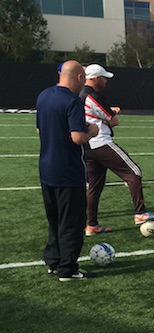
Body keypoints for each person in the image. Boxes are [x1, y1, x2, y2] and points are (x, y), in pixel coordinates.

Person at [80, 64, 154, 235]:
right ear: (96, 78)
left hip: (87, 146)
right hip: (100, 142)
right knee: (134, 172)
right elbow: (114, 120)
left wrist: (106, 117)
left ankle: (92, 224)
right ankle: (140, 212)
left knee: (94, 186)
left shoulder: (79, 95)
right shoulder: (93, 95)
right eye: (104, 78)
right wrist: (110, 115)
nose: (105, 81)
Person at [37, 60, 100, 281]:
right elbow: (77, 137)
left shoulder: (43, 96)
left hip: (46, 168)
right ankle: (68, 269)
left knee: (54, 220)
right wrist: (92, 130)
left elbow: (39, 129)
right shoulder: (73, 101)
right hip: (68, 171)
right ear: (80, 78)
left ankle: (53, 261)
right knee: (71, 221)